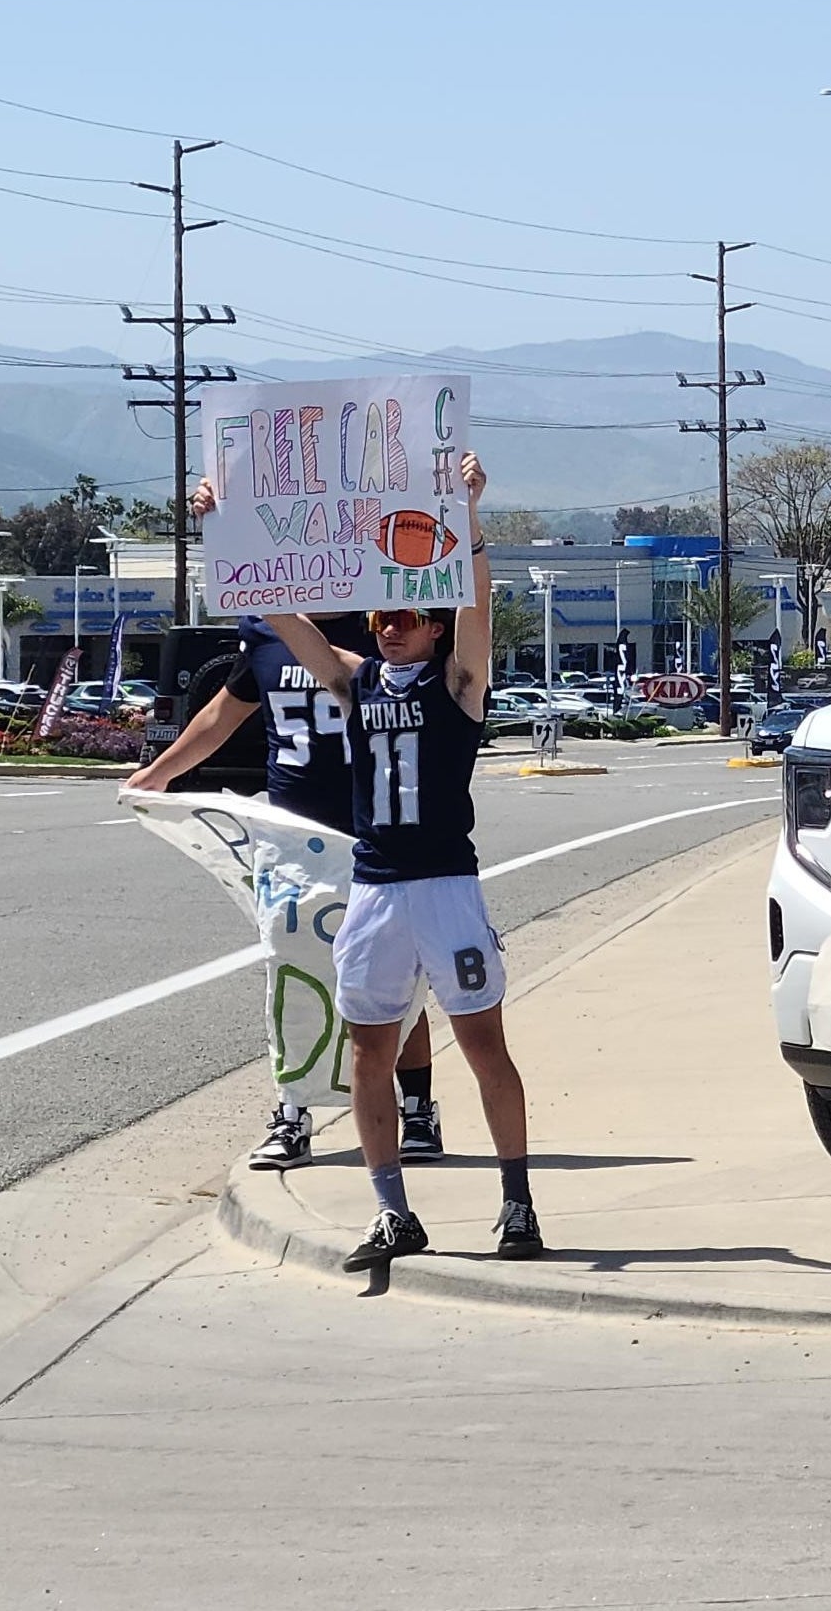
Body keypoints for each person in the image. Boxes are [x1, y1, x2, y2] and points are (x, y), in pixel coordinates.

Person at [266, 453, 542, 1271]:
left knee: (484, 1043)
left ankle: (518, 1202)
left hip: (446, 886)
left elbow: (478, 605)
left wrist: (469, 513)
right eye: (381, 617)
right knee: (368, 1053)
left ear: (431, 626)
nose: (389, 627)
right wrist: (221, 524)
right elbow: (285, 617)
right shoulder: (353, 682)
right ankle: (392, 1212)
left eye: (405, 618)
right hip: (376, 886)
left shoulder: (457, 682)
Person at [126, 600, 447, 1174]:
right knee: (292, 972)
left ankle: (418, 1107)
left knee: (395, 973)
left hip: (373, 823)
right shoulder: (267, 629)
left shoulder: (380, 623)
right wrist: (160, 772)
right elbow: (223, 713)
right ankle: (294, 1110)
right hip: (294, 833)